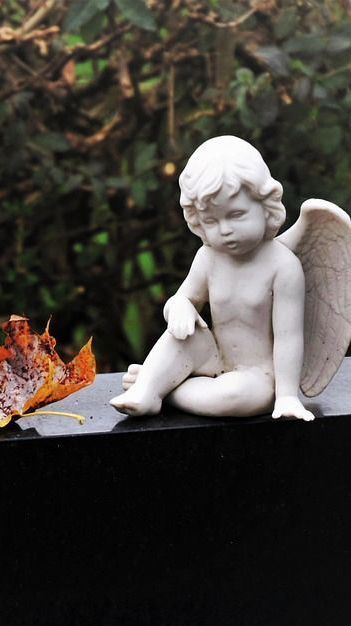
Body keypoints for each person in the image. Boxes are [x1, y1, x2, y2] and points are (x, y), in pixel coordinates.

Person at [109, 135, 314, 420]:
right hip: (212, 358)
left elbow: (288, 337)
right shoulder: (208, 257)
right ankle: (147, 391)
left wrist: (288, 396)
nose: (225, 230)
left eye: (237, 215)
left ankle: (162, 388)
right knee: (183, 333)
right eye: (211, 221)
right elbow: (183, 299)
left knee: (235, 396)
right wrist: (179, 306)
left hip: (256, 378)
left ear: (266, 205)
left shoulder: (283, 267)